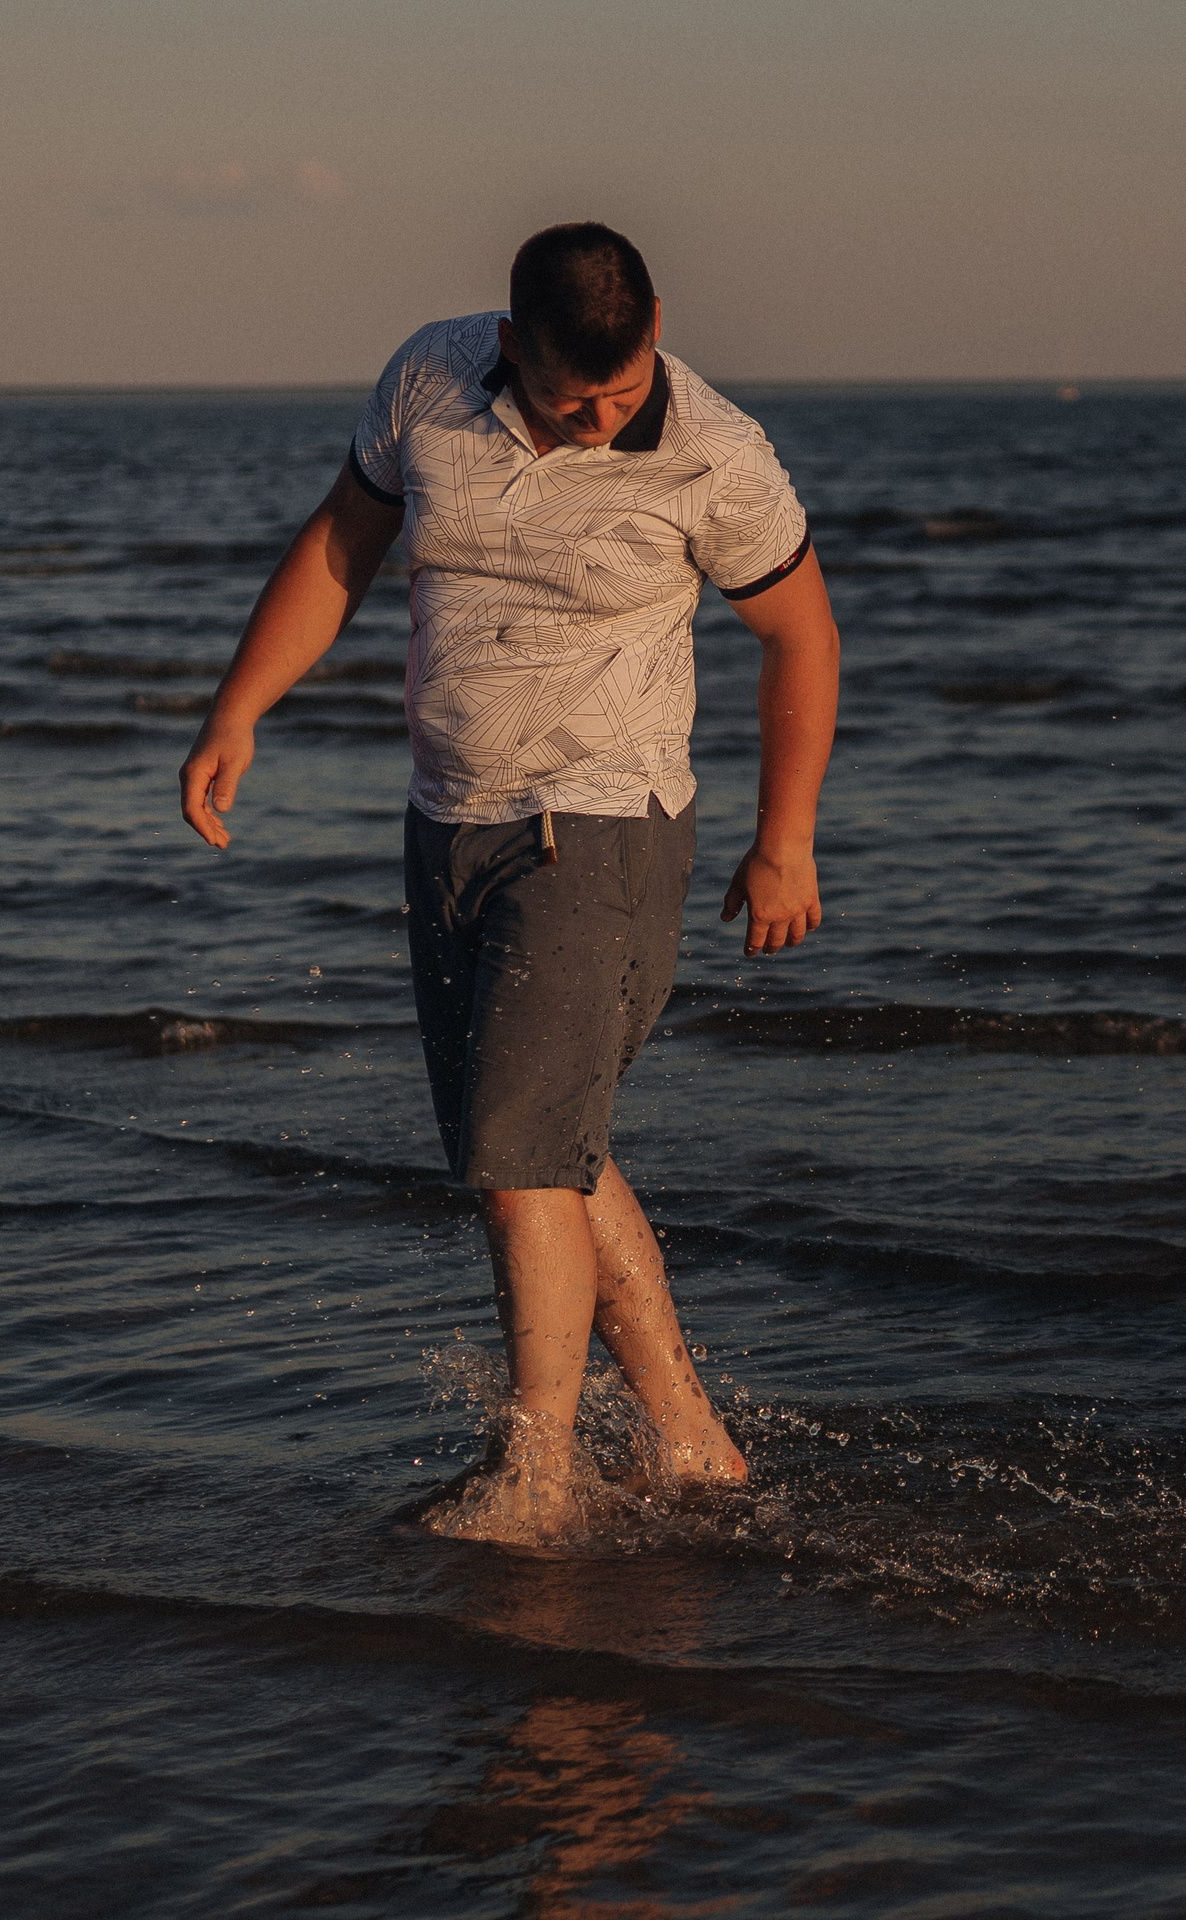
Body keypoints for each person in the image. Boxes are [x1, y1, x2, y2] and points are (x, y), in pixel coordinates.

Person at [177, 221, 841, 1543]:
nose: (602, 417)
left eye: (623, 384)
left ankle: (537, 1463)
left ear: (655, 319)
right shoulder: (430, 380)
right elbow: (341, 548)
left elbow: (800, 635)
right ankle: (693, 1439)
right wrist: (239, 709)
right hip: (449, 825)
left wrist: (788, 837)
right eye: (568, 394)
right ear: (506, 342)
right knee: (542, 1154)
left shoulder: (714, 451)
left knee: (524, 1156)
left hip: (601, 825)